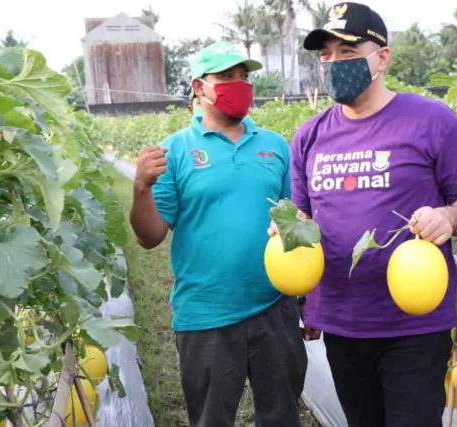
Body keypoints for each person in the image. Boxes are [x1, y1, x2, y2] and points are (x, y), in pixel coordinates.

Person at [268, 3, 457, 426]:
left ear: (382, 57)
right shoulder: (309, 135)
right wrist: (288, 234)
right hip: (342, 321)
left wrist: (447, 217)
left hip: (414, 324)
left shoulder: (433, 121)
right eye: (326, 56)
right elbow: (304, 217)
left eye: (348, 54)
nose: (334, 64)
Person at [130, 41, 307, 427]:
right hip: (206, 314)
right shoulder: (174, 151)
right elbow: (150, 236)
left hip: (274, 308)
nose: (239, 84)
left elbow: (295, 223)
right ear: (199, 86)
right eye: (227, 77)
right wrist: (141, 187)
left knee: (282, 415)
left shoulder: (275, 146)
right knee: (211, 419)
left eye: (244, 77)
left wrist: (304, 300)